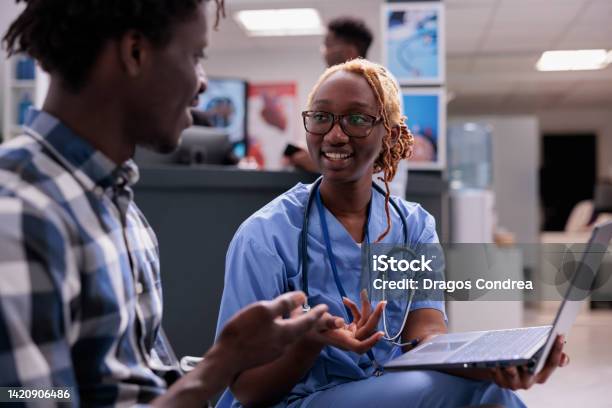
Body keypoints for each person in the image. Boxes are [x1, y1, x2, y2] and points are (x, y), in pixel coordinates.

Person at [0, 1, 342, 406]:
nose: (202, 84)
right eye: (195, 56)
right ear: (135, 53)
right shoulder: (19, 217)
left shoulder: (124, 213)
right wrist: (223, 363)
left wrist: (248, 357)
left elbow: (141, 386)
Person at [215, 59, 569, 407]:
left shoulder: (413, 226)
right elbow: (247, 390)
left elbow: (426, 338)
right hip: (295, 401)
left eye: (357, 119)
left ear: (390, 133)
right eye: (322, 117)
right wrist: (310, 342)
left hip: (389, 392)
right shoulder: (265, 236)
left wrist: (494, 367)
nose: (336, 135)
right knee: (477, 397)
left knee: (491, 391)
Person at [288, 17, 409, 199]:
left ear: (350, 51)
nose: (335, 135)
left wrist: (325, 160)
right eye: (322, 117)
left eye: (328, 45)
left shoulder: (380, 85)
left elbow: (371, 153)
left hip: (376, 196)